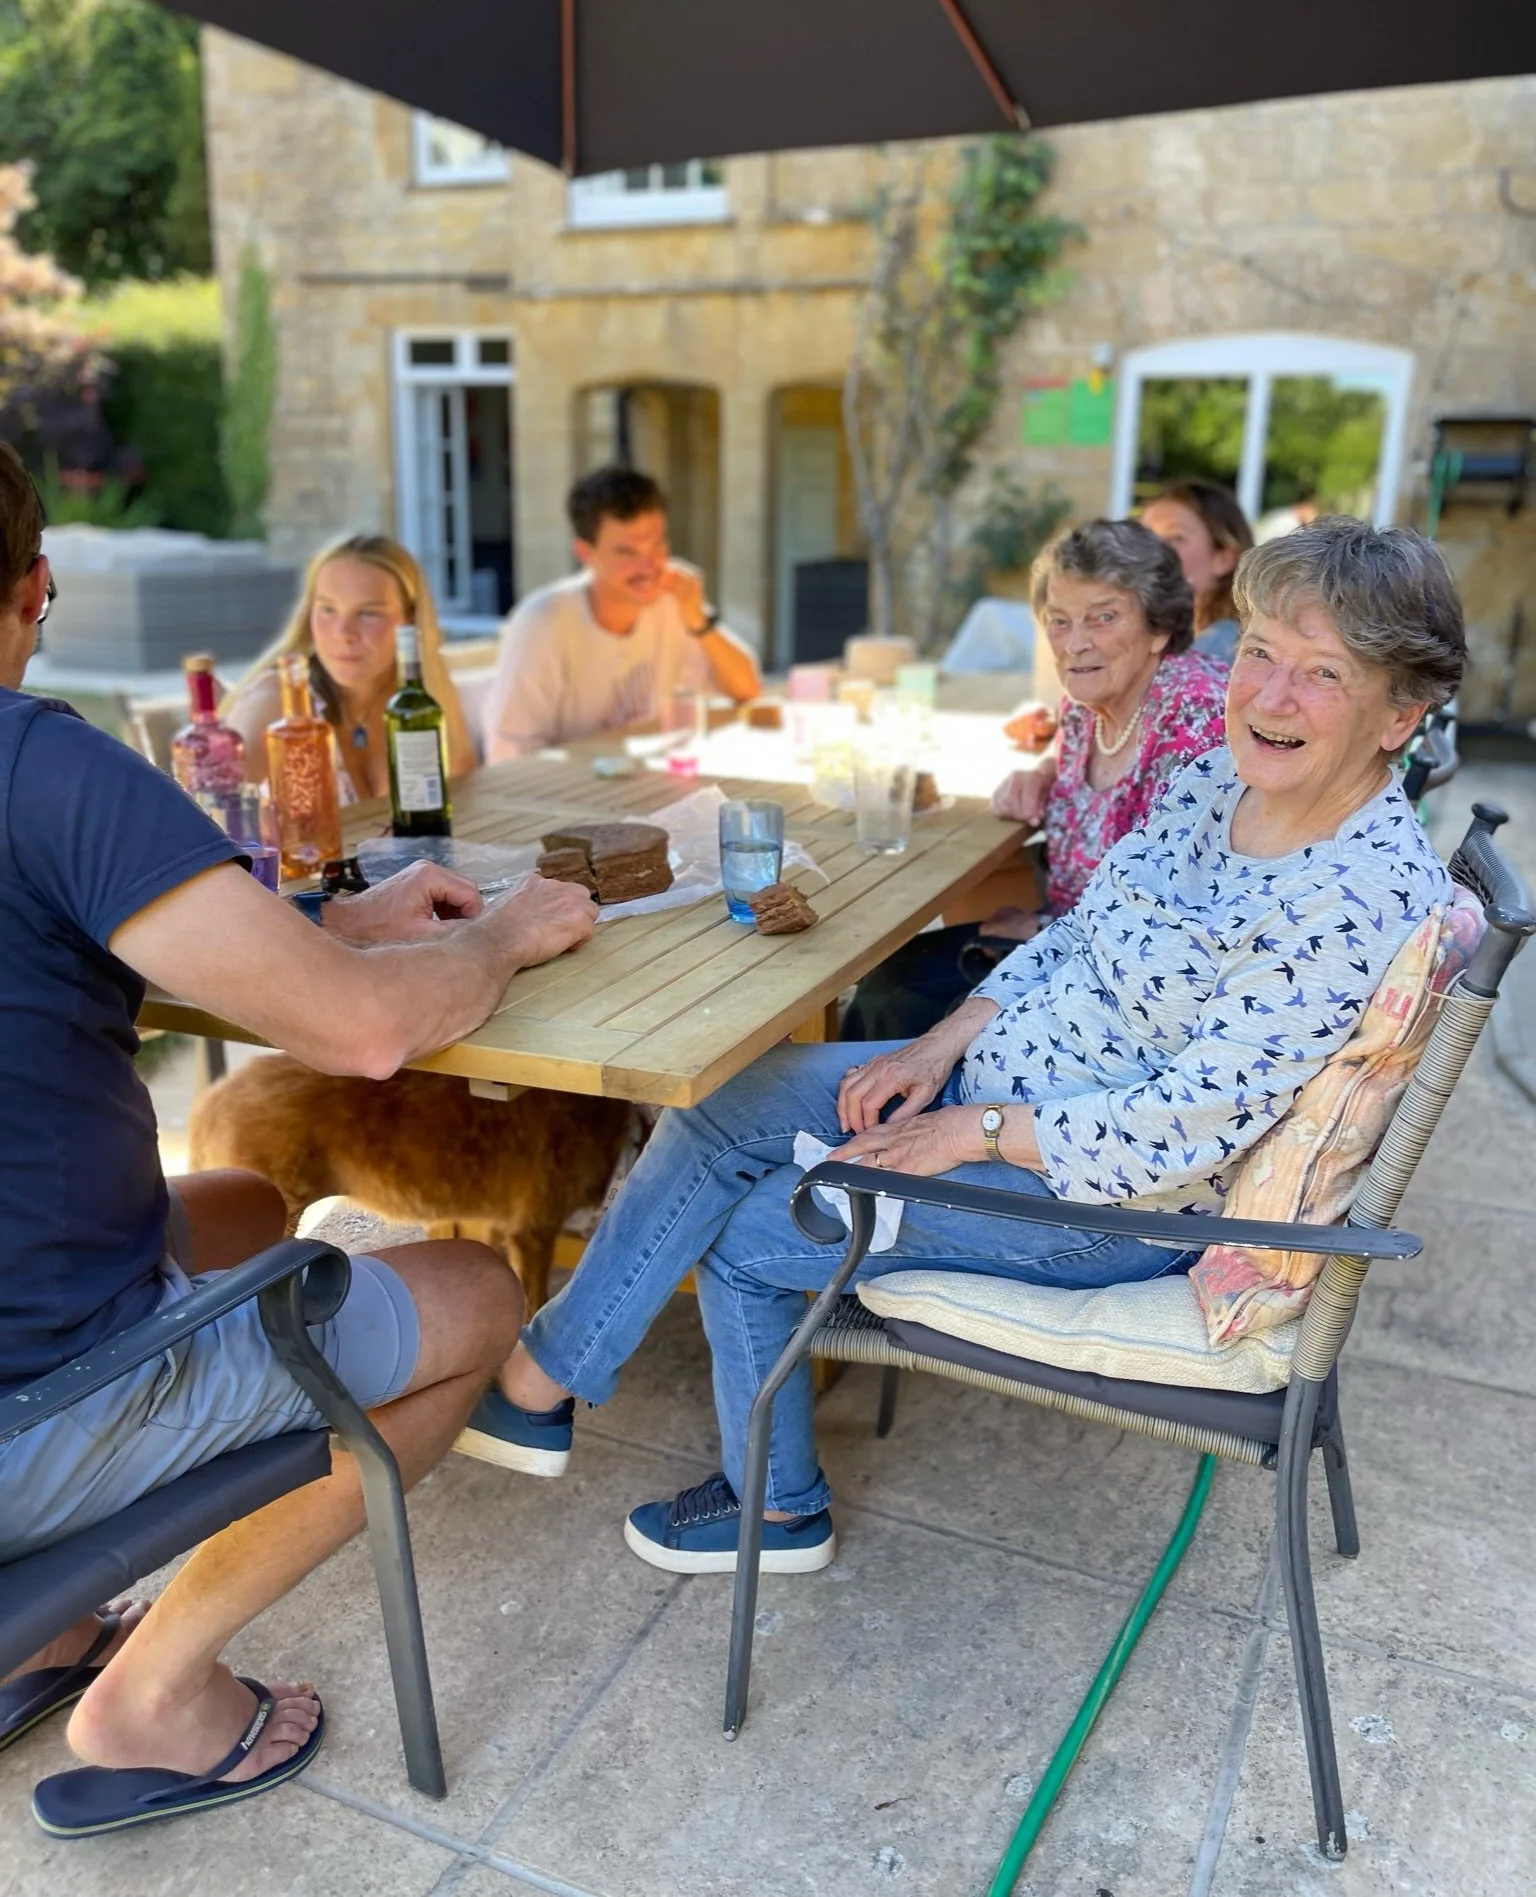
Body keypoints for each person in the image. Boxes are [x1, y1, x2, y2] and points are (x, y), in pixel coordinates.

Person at [463, 517, 1463, 1575]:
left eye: (1323, 674)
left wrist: (967, 1134)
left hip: (1105, 1201)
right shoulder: (1221, 779)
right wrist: (934, 1047)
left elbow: (1182, 1126)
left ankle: (778, 1509)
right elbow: (1080, 930)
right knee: (722, 1105)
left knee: (755, 1228)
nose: (1268, 695)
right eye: (1260, 650)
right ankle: (545, 1383)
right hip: (998, 1085)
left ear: (1401, 713)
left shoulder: (1357, 892)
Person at [0, 444, 598, 1828]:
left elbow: (145, 951)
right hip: (32, 1406)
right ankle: (150, 1694)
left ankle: (38, 1633)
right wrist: (505, 933)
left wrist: (322, 927)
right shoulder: (45, 767)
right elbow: (363, 1037)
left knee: (243, 1207)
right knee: (478, 1291)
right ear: (39, 587)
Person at [844, 518, 1227, 1041]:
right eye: (1059, 621)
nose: (1074, 644)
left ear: (1159, 627)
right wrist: (1043, 771)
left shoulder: (1198, 718)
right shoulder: (1083, 707)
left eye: (1104, 618)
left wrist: (1043, 931)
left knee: (901, 1005)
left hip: (1127, 991)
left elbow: (1182, 917)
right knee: (890, 979)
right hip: (1062, 945)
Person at [483, 466, 760, 762]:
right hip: (569, 792)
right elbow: (508, 751)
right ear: (585, 553)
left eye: (657, 546)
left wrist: (698, 621)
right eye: (627, 553)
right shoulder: (543, 620)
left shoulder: (674, 603)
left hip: (651, 783)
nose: (648, 567)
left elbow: (747, 691)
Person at [224, 534, 477, 802]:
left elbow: (460, 809)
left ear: (410, 621)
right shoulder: (278, 701)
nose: (343, 633)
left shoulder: (422, 702)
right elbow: (204, 819)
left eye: (368, 613)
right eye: (328, 610)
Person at [1140, 480, 1255, 665]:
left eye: (1175, 538)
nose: (1151, 549)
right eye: (1144, 537)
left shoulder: (1219, 644)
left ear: (1223, 559)